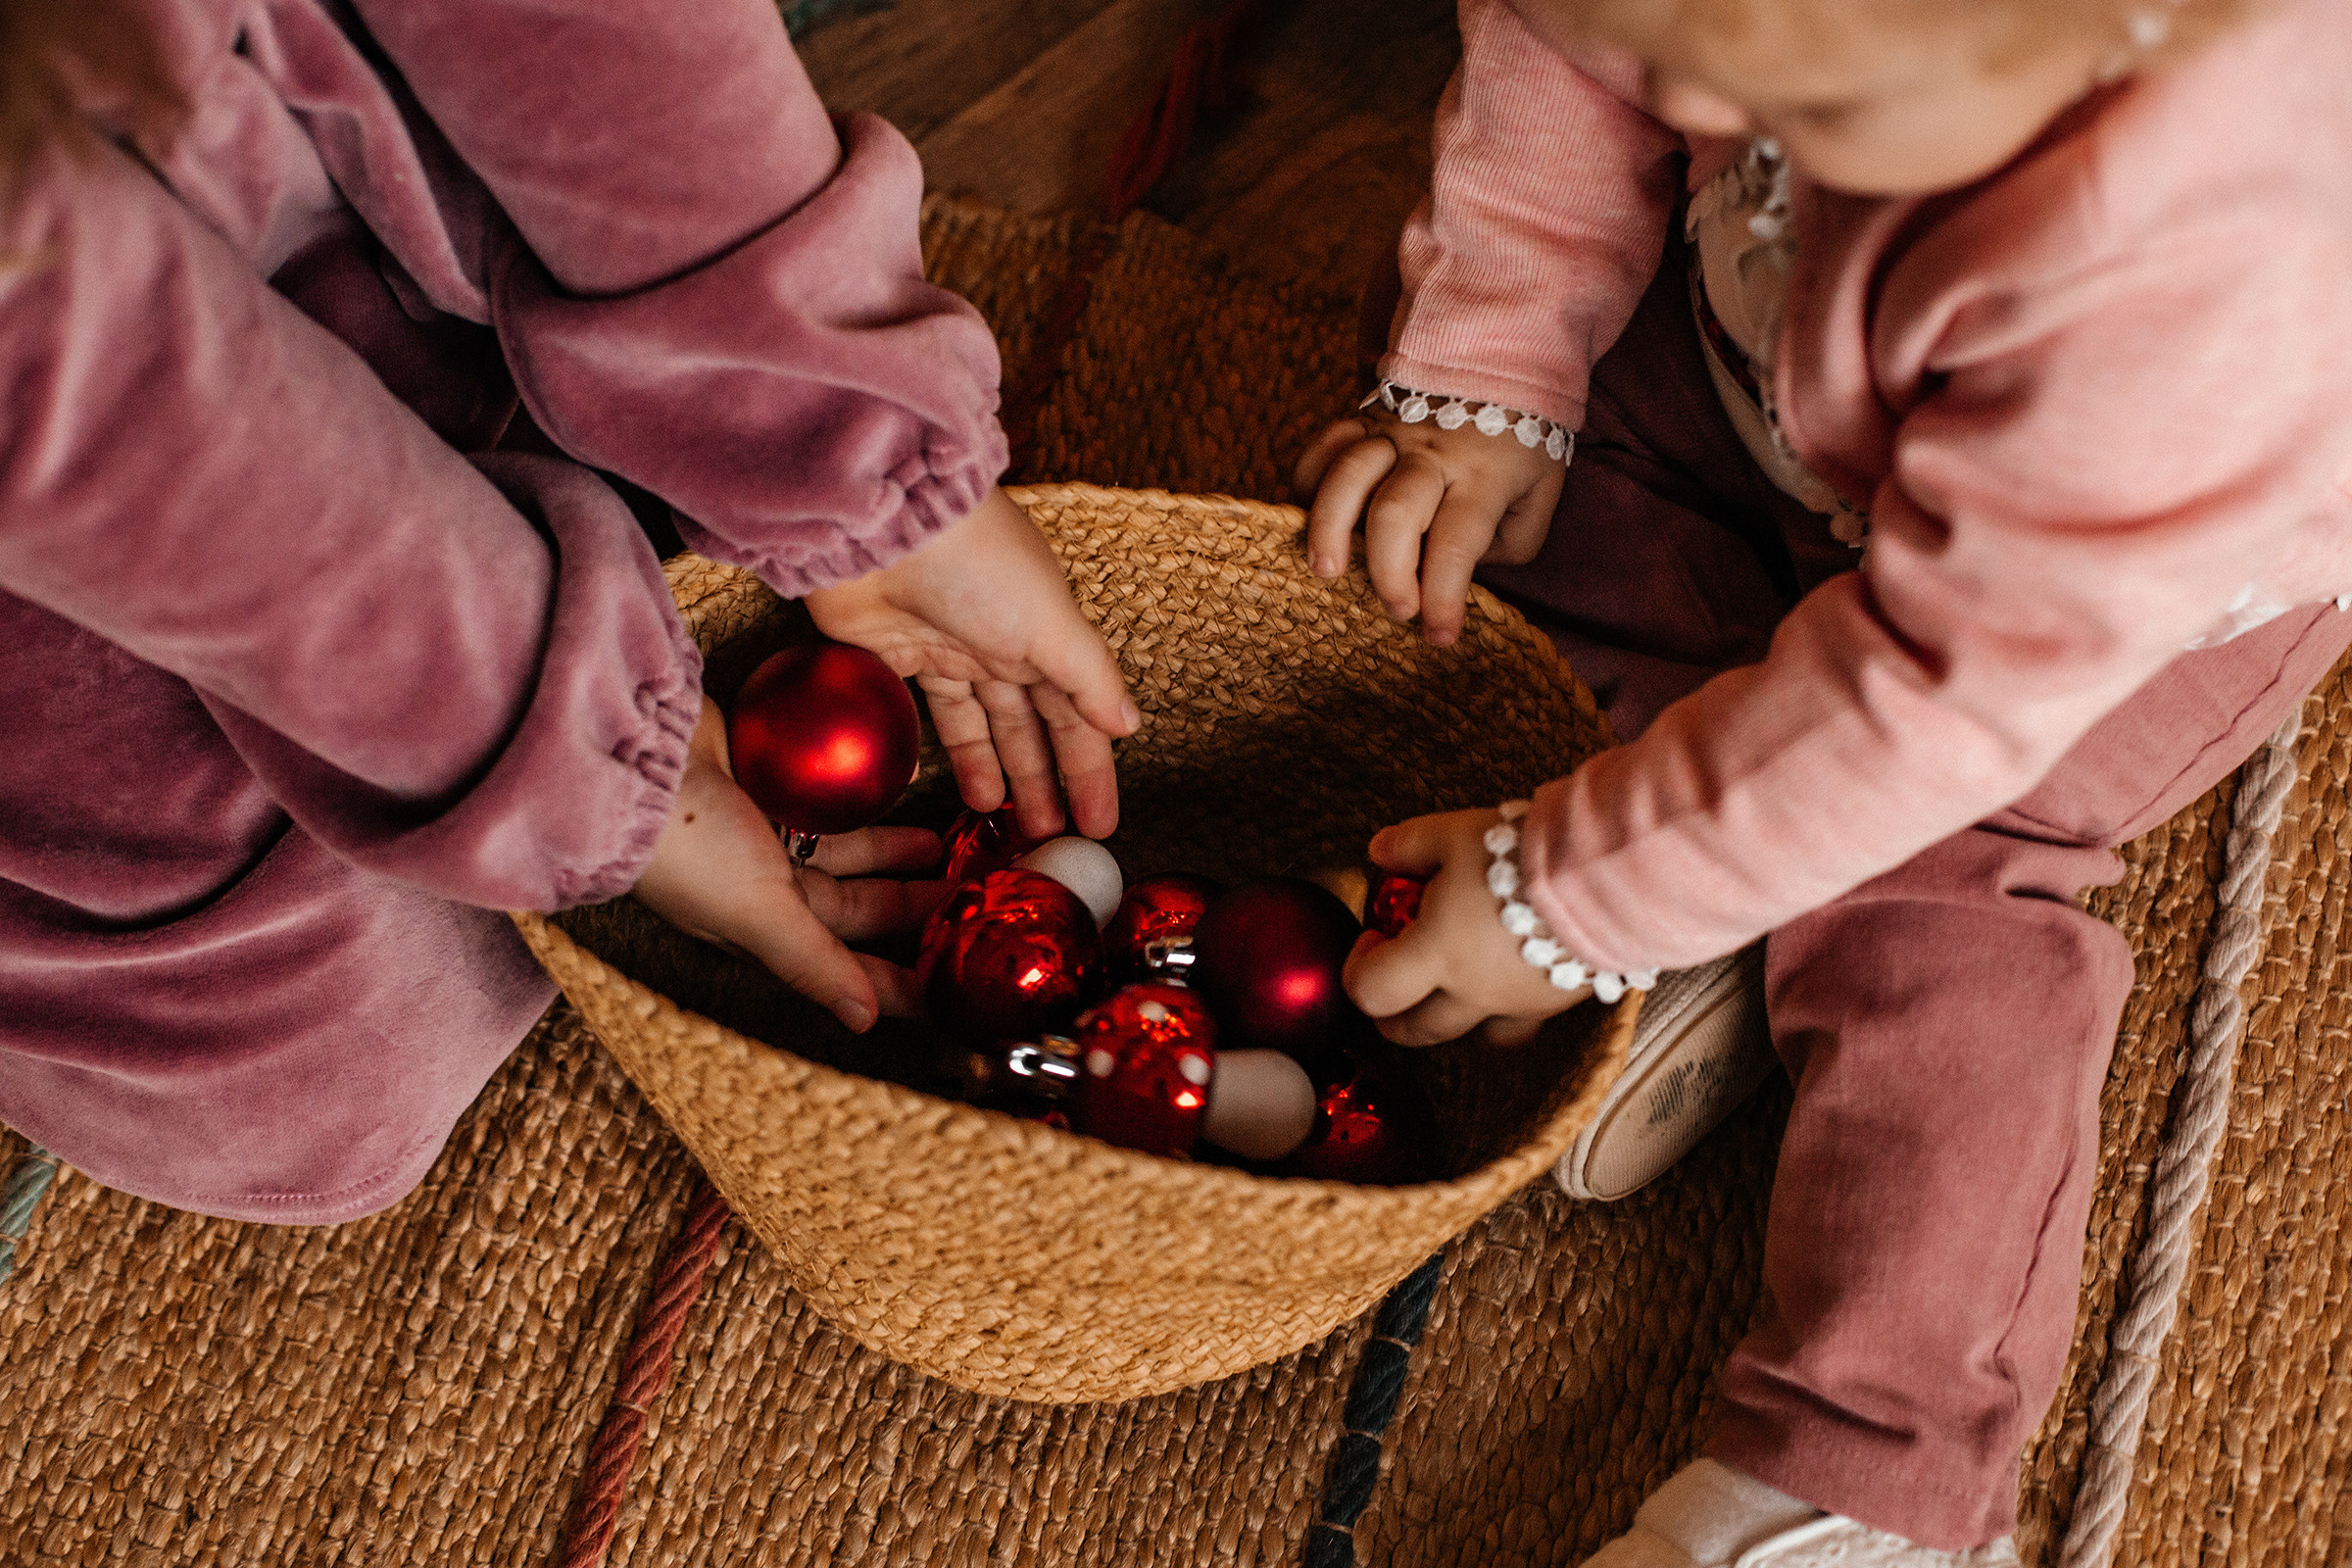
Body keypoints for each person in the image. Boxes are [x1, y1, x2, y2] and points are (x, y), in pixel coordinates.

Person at [1309, 0, 2352, 1560]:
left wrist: (1567, 893)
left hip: (2089, 616)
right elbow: (1566, 45)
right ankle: (1728, 879)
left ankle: (1863, 1476)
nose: (1684, 101)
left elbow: (1930, 698)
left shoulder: (2211, 263)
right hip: (1779, 368)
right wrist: (1499, 364)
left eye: (1808, 109)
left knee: (1936, 869)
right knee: (1473, 542)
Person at [0, 0, 1135, 1227]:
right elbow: (108, 411)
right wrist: (592, 761)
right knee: (312, 1079)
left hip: (318, 157)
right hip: (76, 528)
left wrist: (840, 432)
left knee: (657, 366)